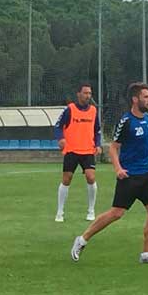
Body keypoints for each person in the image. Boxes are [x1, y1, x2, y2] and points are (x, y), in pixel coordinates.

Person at [70, 82, 148, 266]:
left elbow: (145, 145)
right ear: (135, 99)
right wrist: (118, 169)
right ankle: (82, 240)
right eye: (146, 97)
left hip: (146, 174)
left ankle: (146, 255)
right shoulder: (126, 121)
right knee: (116, 213)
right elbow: (113, 148)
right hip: (129, 175)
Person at [54, 83, 102, 222]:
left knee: (91, 177)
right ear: (78, 94)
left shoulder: (93, 111)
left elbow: (97, 130)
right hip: (72, 150)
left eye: (90, 93)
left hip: (87, 150)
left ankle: (91, 210)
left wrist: (97, 145)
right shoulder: (70, 109)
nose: (88, 96)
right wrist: (61, 138)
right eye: (85, 93)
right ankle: (60, 212)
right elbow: (58, 126)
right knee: (66, 179)